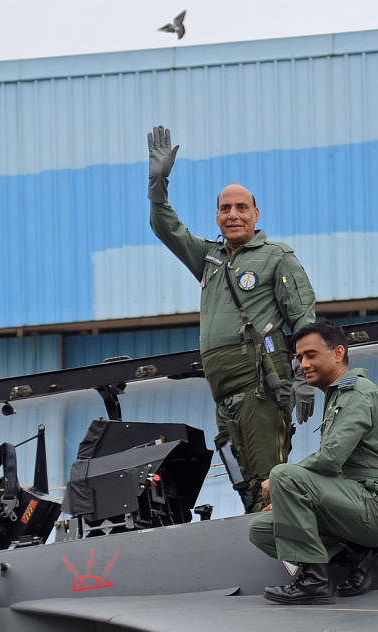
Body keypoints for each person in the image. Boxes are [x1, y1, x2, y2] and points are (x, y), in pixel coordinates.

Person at [147, 124, 318, 513]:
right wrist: (158, 185)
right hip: (223, 393)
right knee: (244, 488)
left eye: (242, 208)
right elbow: (166, 228)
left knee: (267, 484)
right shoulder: (209, 258)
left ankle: (293, 565)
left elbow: (304, 318)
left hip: (260, 385)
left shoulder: (276, 256)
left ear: (256, 214)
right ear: (217, 216)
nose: (233, 214)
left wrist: (306, 378)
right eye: (225, 208)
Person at [249, 320, 378, 603]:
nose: (302, 365)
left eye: (310, 355)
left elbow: (330, 459)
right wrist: (288, 496)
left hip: (375, 504)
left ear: (338, 353)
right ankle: (356, 553)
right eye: (298, 358)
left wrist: (281, 482)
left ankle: (314, 580)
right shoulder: (336, 397)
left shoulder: (357, 393)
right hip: (351, 501)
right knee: (261, 530)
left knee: (283, 474)